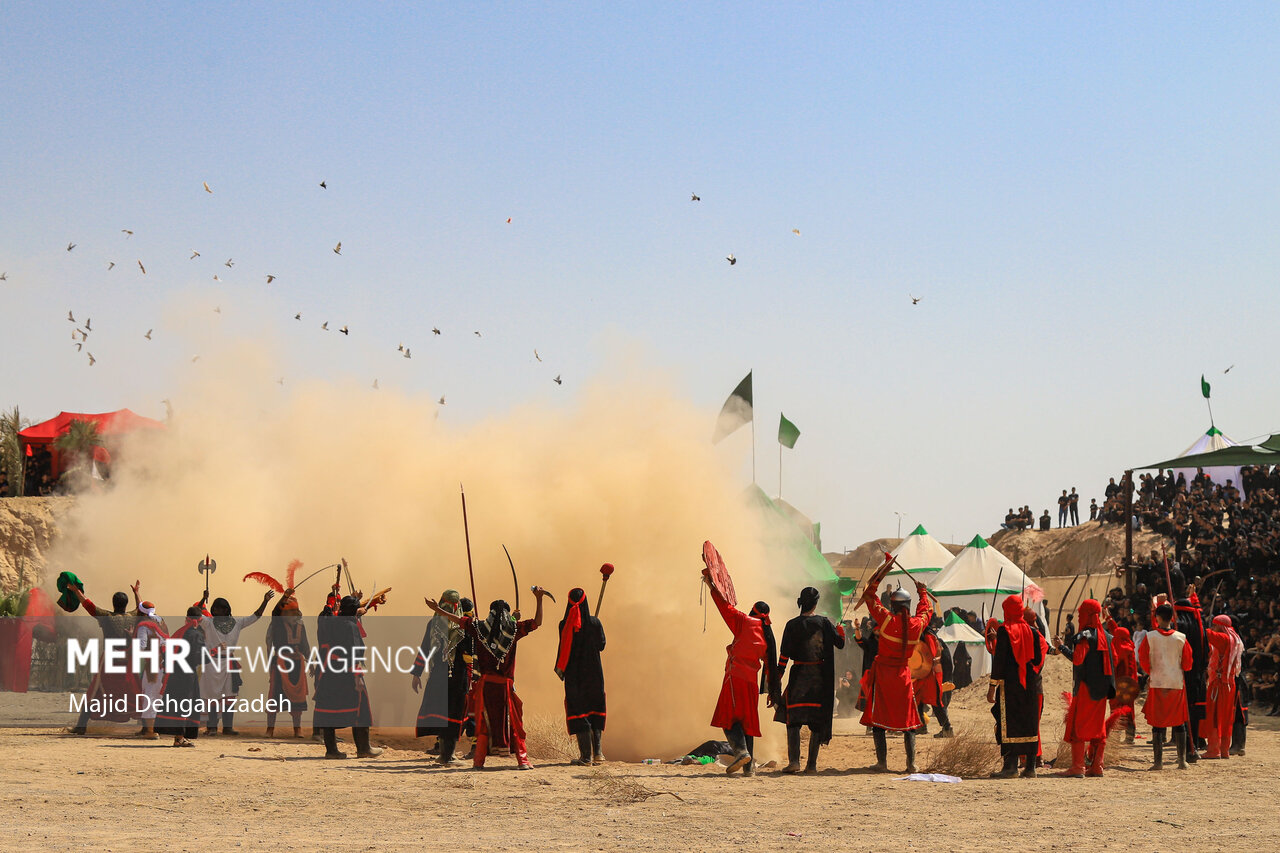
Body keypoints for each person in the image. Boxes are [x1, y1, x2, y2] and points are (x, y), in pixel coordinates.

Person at [426, 588, 549, 770]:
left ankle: (479, 762)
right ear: (508, 615)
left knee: (484, 724)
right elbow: (537, 622)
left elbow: (458, 620)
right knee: (513, 723)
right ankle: (523, 760)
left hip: (486, 686)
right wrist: (539, 599)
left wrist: (438, 610)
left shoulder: (479, 628)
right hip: (505, 687)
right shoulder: (514, 630)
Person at [701, 566, 775, 776]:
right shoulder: (767, 634)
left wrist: (710, 583)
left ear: (753, 611)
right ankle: (749, 769)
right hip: (752, 682)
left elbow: (724, 606)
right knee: (747, 723)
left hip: (735, 678)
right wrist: (771, 693)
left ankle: (741, 752)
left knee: (728, 719)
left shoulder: (745, 621)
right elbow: (770, 668)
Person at [859, 580, 932, 773]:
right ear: (908, 605)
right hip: (903, 677)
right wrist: (922, 592)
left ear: (893, 605)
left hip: (884, 675)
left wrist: (875, 583)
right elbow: (926, 612)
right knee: (908, 721)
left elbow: (870, 599)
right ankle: (911, 764)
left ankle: (882, 763)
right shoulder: (917, 624)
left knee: (879, 719)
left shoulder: (886, 619)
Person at [775, 586, 843, 774]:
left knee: (793, 721)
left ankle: (794, 762)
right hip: (819, 678)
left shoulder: (791, 624)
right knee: (816, 721)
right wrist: (840, 630)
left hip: (798, 676)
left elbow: (783, 657)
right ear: (816, 603)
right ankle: (811, 765)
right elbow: (840, 643)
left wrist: (777, 679)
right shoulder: (825, 622)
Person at [67, 580, 142, 734]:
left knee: (95, 692)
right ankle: (146, 727)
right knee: (133, 691)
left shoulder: (106, 616)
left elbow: (88, 605)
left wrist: (76, 591)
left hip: (110, 660)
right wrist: (137, 593)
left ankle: (81, 727)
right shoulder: (133, 617)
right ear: (125, 604)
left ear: (113, 603)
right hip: (127, 660)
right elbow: (140, 609)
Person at [313, 594, 382, 759]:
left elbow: (326, 615)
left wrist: (330, 604)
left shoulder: (328, 621)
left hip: (329, 672)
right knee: (361, 709)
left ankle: (331, 750)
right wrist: (358, 677)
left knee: (328, 710)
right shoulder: (349, 626)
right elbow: (355, 653)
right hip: (348, 673)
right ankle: (364, 749)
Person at [199, 590, 273, 735]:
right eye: (214, 608)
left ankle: (227, 727)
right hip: (212, 664)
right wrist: (203, 599)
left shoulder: (237, 622)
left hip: (229, 663)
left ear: (226, 609)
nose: (215, 610)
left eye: (218, 608)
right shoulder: (208, 623)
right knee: (212, 696)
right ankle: (212, 727)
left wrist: (265, 601)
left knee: (229, 696)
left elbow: (256, 616)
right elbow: (194, 612)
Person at [1055, 599, 1115, 777]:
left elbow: (1078, 659)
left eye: (1081, 614)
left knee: (1078, 725)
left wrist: (1062, 648)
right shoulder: (1108, 637)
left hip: (1086, 688)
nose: (1079, 616)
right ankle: (1097, 766)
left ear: (1087, 615)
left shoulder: (1084, 637)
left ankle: (1078, 766)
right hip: (1103, 690)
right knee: (1098, 727)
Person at [412, 589, 472, 765]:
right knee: (452, 713)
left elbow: (424, 649)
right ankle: (447, 756)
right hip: (456, 674)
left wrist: (417, 673)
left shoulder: (434, 623)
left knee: (441, 712)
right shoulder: (463, 625)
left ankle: (444, 754)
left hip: (437, 674)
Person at [988, 595, 1043, 778]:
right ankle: (1030, 768)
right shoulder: (1033, 632)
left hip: (1010, 684)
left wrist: (992, 686)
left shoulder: (1004, 631)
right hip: (1030, 683)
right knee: (1029, 722)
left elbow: (1000, 661)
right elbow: (1036, 658)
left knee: (1009, 723)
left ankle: (1010, 767)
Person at [554, 587, 607, 766]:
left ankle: (586, 757)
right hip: (594, 675)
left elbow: (564, 648)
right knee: (594, 708)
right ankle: (598, 754)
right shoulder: (595, 623)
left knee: (579, 710)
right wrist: (593, 626)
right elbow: (601, 645)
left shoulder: (564, 625)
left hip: (575, 677)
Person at [1138, 602, 1193, 770]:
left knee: (1158, 721)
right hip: (1176, 682)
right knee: (1179, 720)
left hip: (1157, 682)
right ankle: (1182, 761)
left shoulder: (1150, 637)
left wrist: (1151, 672)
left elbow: (1143, 659)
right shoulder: (1181, 638)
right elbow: (1188, 663)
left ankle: (1158, 762)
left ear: (1158, 618)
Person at [152, 606, 208, 747]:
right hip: (187, 674)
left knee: (176, 704)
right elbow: (200, 657)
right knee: (185, 705)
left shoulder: (179, 633)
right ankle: (179, 738)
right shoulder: (196, 635)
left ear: (186, 619)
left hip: (175, 673)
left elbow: (167, 652)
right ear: (200, 620)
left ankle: (178, 737)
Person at [265, 587, 310, 738]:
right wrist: (284, 596)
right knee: (275, 696)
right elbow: (274, 613)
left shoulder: (300, 626)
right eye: (287, 612)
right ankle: (270, 729)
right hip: (280, 663)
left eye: (293, 612)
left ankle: (297, 729)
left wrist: (311, 660)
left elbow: (305, 645)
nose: (290, 615)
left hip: (297, 664)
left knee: (298, 698)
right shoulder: (278, 625)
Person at [1202, 614, 1244, 759]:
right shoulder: (1234, 638)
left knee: (1214, 716)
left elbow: (1204, 632)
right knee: (1226, 717)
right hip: (1229, 683)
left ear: (1220, 626)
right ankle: (1224, 750)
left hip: (1219, 685)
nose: (1213, 627)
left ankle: (1213, 750)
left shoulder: (1223, 638)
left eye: (1215, 625)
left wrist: (1196, 608)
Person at [914, 619, 954, 738]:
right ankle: (921, 726)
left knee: (935, 701)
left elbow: (934, 656)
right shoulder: (927, 635)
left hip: (930, 674)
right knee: (918, 699)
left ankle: (947, 728)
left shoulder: (929, 635)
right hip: (923, 674)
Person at [133, 600, 167, 740]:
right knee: (156, 695)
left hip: (153, 664)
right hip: (164, 662)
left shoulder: (143, 626)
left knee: (150, 695)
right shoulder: (160, 621)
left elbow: (141, 647)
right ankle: (150, 727)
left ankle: (151, 731)